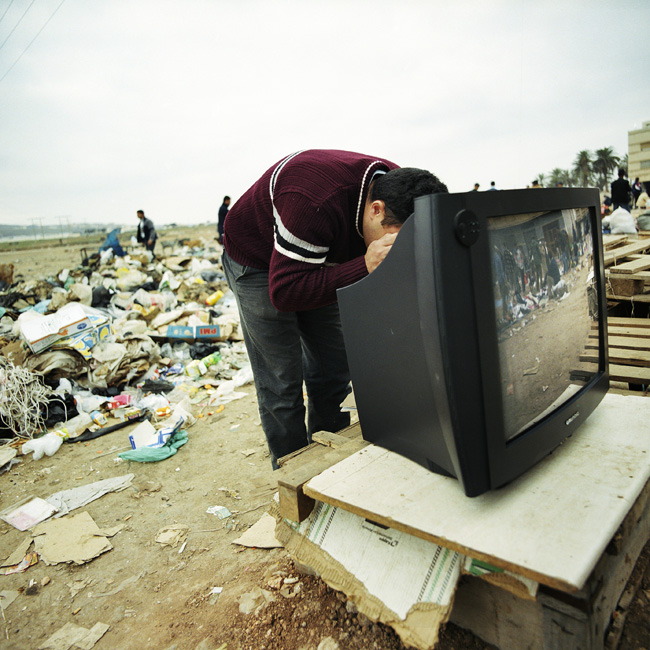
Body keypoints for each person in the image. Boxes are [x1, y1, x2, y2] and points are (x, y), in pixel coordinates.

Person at [222, 149, 448, 468]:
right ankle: (294, 474)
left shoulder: (408, 191)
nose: (393, 252)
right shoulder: (313, 198)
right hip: (258, 263)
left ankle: (329, 457)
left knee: (333, 366)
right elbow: (285, 292)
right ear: (376, 209)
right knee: (282, 380)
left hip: (324, 254)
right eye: (391, 243)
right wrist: (365, 264)